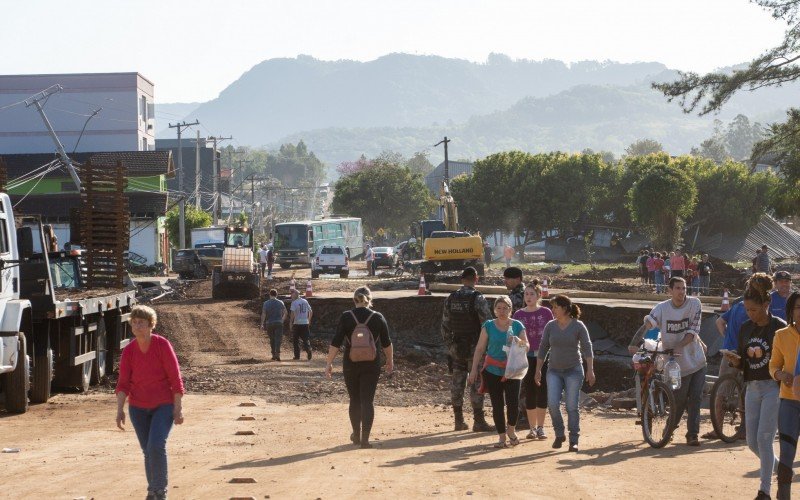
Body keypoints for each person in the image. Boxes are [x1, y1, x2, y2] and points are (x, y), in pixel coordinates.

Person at [724, 273, 785, 500]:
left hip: (773, 388)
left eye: (754, 310)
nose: (750, 314)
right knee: (752, 442)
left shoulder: (779, 328)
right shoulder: (746, 328)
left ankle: (764, 490)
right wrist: (736, 361)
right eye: (748, 310)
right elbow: (744, 361)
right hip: (752, 387)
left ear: (766, 305)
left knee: (764, 438)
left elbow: (786, 359)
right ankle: (782, 469)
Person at [115, 305, 185, 500]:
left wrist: (178, 409)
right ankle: (153, 490)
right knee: (147, 450)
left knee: (156, 445)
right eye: (134, 323)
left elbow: (175, 379)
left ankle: (159, 491)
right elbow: (123, 384)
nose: (137, 326)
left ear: (151, 325)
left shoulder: (162, 345)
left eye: (142, 323)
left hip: (163, 405)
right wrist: (120, 410)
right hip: (138, 408)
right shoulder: (129, 351)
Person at [326, 286, 393, 449]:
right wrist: (390, 361)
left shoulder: (346, 317)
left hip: (351, 363)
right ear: (370, 300)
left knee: (354, 400)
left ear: (354, 300)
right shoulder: (378, 317)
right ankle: (365, 440)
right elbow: (386, 343)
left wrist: (329, 363)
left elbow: (336, 342)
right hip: (372, 364)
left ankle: (356, 434)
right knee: (367, 400)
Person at [644, 277, 706, 446]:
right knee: (677, 399)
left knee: (695, 398)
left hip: (696, 358)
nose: (681, 292)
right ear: (670, 290)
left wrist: (680, 345)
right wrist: (644, 330)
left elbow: (693, 330)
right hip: (674, 364)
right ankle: (668, 430)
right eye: (678, 288)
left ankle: (692, 434)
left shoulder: (694, 304)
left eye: (684, 288)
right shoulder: (662, 308)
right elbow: (651, 322)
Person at [535, 294, 594, 452]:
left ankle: (573, 440)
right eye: (552, 307)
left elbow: (587, 348)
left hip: (573, 370)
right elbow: (543, 348)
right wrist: (538, 370)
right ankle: (559, 433)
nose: (553, 310)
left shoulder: (578, 326)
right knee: (553, 404)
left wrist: (590, 370)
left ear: (566, 309)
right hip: (553, 370)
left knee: (571, 406)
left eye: (556, 307)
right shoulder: (550, 326)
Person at [468, 296, 528, 448]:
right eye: (499, 308)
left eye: (505, 308)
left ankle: (511, 431)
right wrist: (474, 369)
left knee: (513, 404)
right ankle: (501, 437)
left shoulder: (517, 325)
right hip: (493, 370)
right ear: (494, 310)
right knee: (497, 404)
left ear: (510, 310)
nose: (502, 311)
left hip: (512, 370)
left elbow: (527, 347)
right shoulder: (488, 325)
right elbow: (480, 348)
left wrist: (518, 342)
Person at [441, 266, 494, 432]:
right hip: (475, 348)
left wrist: (450, 346)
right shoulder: (478, 298)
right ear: (476, 279)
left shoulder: (451, 298)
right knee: (476, 381)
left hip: (457, 347)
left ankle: (458, 420)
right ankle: (478, 421)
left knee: (457, 381)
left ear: (461, 279)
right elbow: (487, 323)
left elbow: (445, 325)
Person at [513, 280, 554, 440]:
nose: (528, 297)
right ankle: (532, 428)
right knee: (529, 390)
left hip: (544, 356)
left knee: (542, 389)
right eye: (526, 294)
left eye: (532, 294)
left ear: (538, 295)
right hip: (526, 357)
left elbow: (552, 334)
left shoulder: (546, 313)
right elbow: (514, 338)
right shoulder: (518, 315)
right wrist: (522, 344)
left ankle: (542, 427)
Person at [769, 291, 800, 500]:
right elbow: (773, 366)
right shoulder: (781, 335)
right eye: (799, 307)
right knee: (787, 455)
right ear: (791, 311)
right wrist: (781, 375)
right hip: (789, 402)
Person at [261, 288, 288, 361]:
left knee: (272, 339)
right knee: (278, 339)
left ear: (270, 294)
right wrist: (282, 320)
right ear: (277, 295)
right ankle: (278, 354)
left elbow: (264, 314)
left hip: (269, 323)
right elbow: (286, 312)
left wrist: (262, 324)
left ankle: (273, 354)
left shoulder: (266, 303)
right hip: (278, 323)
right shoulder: (281, 302)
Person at [289, 288, 313, 360]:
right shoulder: (305, 301)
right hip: (305, 323)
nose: (291, 296)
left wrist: (290, 323)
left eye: (292, 294)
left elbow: (292, 314)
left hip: (297, 323)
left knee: (296, 340)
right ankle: (309, 349)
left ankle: (297, 356)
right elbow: (311, 311)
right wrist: (309, 320)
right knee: (306, 339)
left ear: (296, 294)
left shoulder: (294, 303)